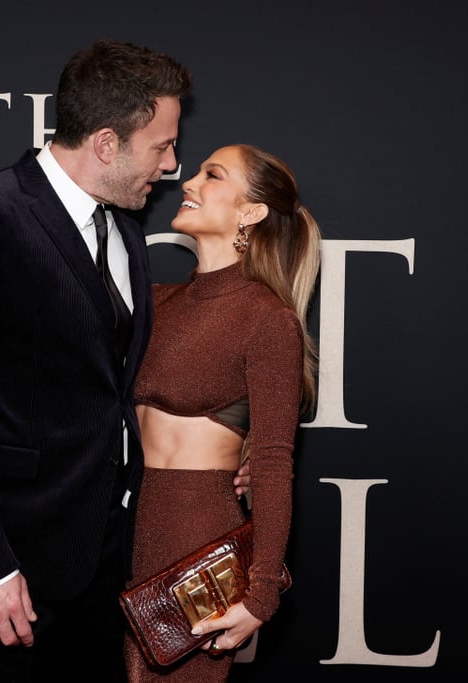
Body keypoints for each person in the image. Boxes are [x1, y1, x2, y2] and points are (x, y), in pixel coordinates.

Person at [0, 40, 247, 683]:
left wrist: (237, 448)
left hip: (108, 565)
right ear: (108, 143)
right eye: (162, 147)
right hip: (10, 573)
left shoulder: (125, 231)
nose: (173, 166)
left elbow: (123, 384)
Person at [123, 143, 322, 681]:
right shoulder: (155, 301)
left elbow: (276, 465)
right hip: (118, 529)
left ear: (251, 212)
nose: (187, 182)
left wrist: (260, 598)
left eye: (213, 175)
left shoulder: (267, 319)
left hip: (194, 534)